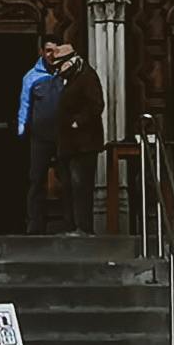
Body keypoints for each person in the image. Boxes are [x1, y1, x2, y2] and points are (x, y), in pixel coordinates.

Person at [43, 41, 109, 232]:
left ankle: (84, 228)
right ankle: (71, 226)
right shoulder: (69, 79)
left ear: (70, 61)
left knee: (81, 187)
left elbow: (96, 105)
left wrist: (78, 121)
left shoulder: (86, 77)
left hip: (83, 144)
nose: (58, 69)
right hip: (68, 144)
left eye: (60, 64)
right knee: (69, 187)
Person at [14, 40, 65, 235]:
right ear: (42, 52)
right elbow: (25, 103)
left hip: (62, 136)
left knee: (67, 179)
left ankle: (69, 224)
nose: (52, 55)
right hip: (40, 137)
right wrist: (21, 128)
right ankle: (35, 225)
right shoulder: (32, 77)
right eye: (48, 51)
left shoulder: (66, 73)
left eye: (55, 51)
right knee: (36, 180)